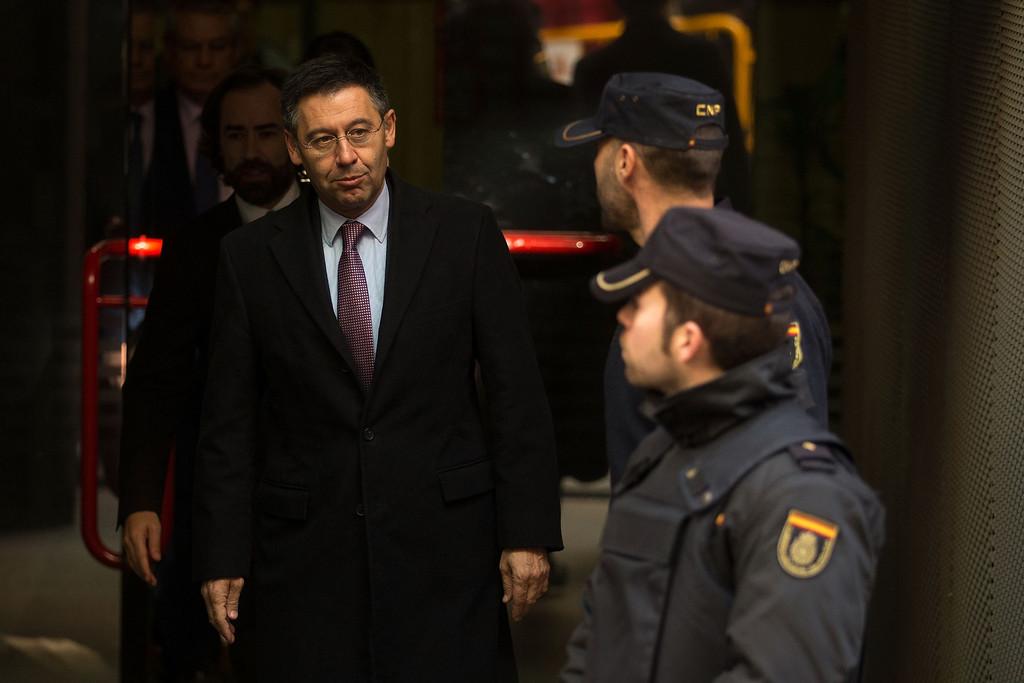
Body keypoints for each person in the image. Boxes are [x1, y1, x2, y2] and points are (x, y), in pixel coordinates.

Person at [193, 55, 562, 680]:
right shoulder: (249, 258)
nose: (346, 156)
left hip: (447, 549)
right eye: (322, 139)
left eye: (359, 132)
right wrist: (222, 554)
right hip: (305, 559)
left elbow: (516, 396)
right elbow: (228, 424)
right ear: (293, 149)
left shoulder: (464, 233)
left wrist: (527, 532)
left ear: (389, 129)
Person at [559, 207, 885, 681]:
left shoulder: (803, 496)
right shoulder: (660, 455)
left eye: (640, 303)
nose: (623, 317)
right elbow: (598, 642)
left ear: (687, 340)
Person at [555, 71, 832, 487]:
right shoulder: (693, 278)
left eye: (599, 147)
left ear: (625, 162)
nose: (594, 165)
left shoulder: (741, 291)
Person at [118, 65, 301, 680]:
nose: (251, 151)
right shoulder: (196, 246)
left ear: (297, 138)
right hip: (232, 489)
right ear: (214, 147)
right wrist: (141, 500)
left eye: (268, 132)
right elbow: (156, 378)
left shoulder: (342, 228)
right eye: (234, 135)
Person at [570, 0, 751, 212]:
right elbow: (732, 144)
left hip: (621, 206)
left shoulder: (593, 69)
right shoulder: (702, 57)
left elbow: (583, 154)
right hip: (693, 200)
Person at [140, 0, 242, 237]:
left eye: (217, 47)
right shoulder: (145, 119)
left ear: (235, 50)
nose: (204, 60)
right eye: (190, 47)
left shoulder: (263, 119)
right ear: (169, 50)